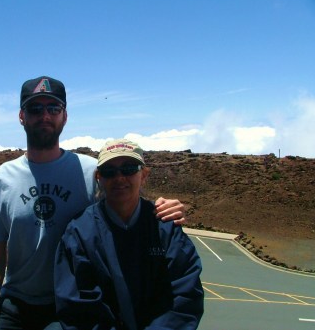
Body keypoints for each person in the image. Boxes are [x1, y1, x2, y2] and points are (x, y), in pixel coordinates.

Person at [0, 76, 186, 330]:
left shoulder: (90, 171)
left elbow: (125, 206)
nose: (45, 116)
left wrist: (161, 208)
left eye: (53, 108)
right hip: (17, 304)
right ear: (22, 116)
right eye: (35, 108)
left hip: (78, 303)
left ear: (65, 116)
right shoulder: (1, 179)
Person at [55, 138, 204, 330]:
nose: (119, 178)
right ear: (99, 178)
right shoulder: (79, 233)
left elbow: (184, 297)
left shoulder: (166, 229)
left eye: (129, 169)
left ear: (144, 175)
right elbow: (76, 305)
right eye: (110, 172)